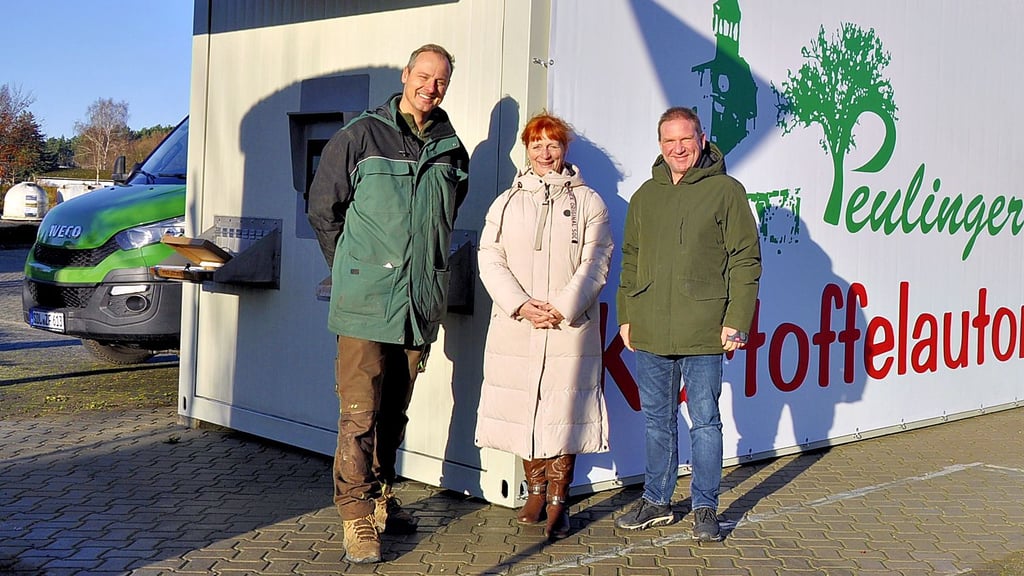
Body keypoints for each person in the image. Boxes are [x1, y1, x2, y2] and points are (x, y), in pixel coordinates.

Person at [307, 43, 469, 564]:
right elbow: (323, 209)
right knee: (359, 413)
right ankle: (355, 518)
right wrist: (353, 269)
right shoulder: (360, 136)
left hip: (417, 305)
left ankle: (380, 498)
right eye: (423, 76)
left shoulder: (451, 148)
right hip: (365, 305)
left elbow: (441, 221)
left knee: (394, 413)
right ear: (405, 76)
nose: (431, 87)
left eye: (440, 80)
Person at [614, 106, 761, 542]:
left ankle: (705, 507)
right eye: (669, 141)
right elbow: (631, 260)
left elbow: (745, 260)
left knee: (706, 421)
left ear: (701, 139)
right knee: (657, 421)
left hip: (704, 328)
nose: (678, 148)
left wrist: (736, 320)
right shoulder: (645, 195)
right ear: (660, 145)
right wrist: (627, 315)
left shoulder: (727, 191)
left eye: (686, 139)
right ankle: (658, 501)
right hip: (652, 327)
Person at [475, 112, 614, 541]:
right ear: (526, 149)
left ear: (564, 150)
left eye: (552, 144)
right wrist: (521, 305)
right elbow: (489, 256)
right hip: (518, 325)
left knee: (563, 409)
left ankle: (559, 497)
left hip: (567, 326)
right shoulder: (507, 201)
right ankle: (533, 488)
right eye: (537, 145)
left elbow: (597, 260)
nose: (545, 153)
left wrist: (563, 306)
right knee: (523, 408)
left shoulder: (589, 202)